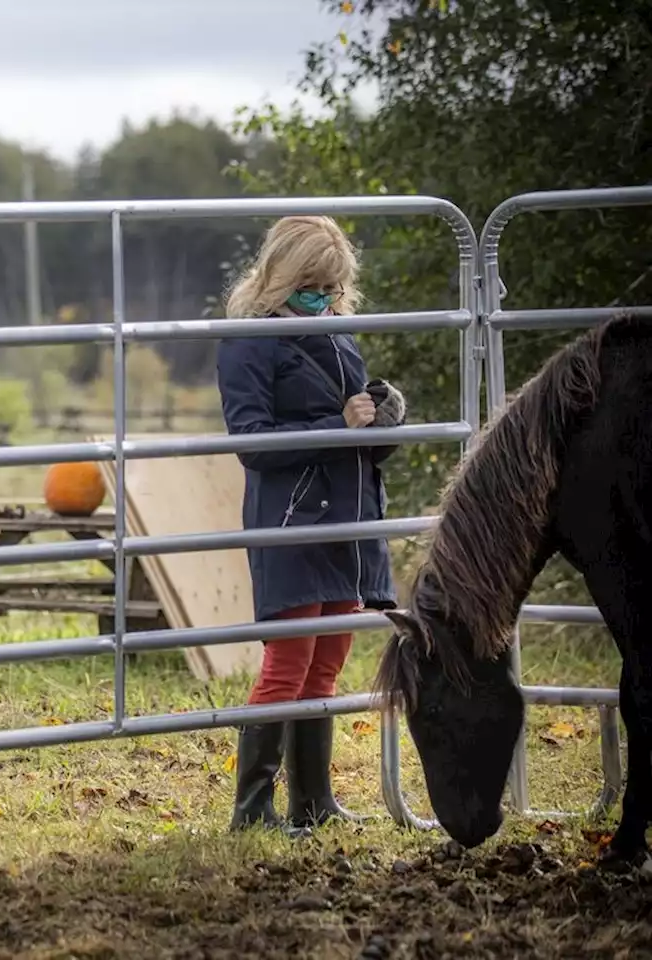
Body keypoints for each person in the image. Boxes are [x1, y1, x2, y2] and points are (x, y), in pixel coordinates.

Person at [214, 215, 405, 835]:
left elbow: (358, 438)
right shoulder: (248, 339)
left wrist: (384, 420)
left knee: (328, 660)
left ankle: (312, 800)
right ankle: (253, 807)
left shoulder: (340, 334)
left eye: (331, 289)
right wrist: (339, 426)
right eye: (309, 288)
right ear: (279, 278)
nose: (322, 300)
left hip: (350, 523)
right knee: (289, 661)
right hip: (294, 520)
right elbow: (252, 443)